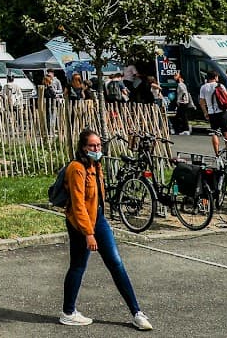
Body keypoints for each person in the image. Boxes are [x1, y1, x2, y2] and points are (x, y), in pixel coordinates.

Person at [59, 128, 151, 330]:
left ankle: (137, 312)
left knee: (116, 263)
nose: (96, 149)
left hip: (98, 218)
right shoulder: (76, 168)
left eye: (98, 145)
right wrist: (88, 233)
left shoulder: (96, 164)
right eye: (92, 146)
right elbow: (78, 205)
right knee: (78, 266)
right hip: (80, 223)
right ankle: (68, 312)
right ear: (83, 147)